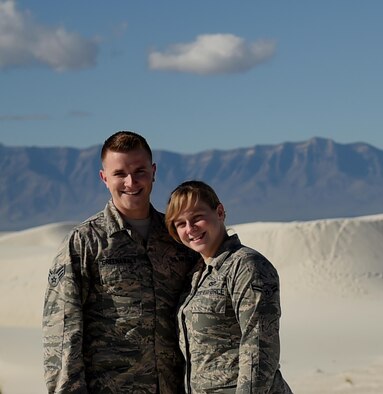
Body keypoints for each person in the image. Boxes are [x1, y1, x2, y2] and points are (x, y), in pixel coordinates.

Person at [43, 131, 197, 393]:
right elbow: (62, 333)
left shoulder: (178, 238)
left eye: (139, 171)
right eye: (119, 174)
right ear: (104, 178)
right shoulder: (85, 243)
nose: (131, 182)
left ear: (153, 171)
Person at [165, 180, 292, 393]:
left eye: (197, 218)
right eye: (181, 223)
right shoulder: (196, 273)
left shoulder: (246, 265)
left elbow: (260, 350)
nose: (190, 229)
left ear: (220, 212)